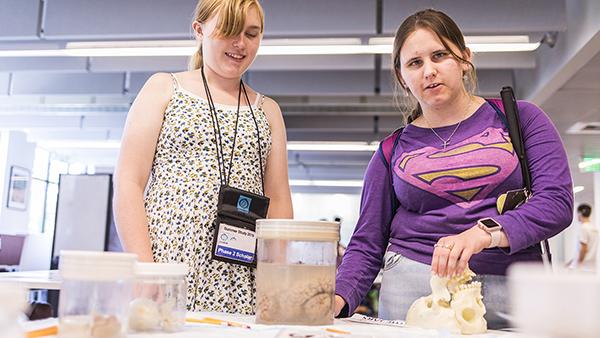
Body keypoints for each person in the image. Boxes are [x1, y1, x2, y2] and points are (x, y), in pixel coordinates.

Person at [334, 9, 573, 328]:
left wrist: (485, 232)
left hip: (514, 289)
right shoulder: (391, 151)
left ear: (464, 58)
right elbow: (367, 242)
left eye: (440, 55)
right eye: (415, 63)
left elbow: (556, 203)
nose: (429, 71)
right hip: (413, 292)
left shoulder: (521, 119)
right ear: (402, 77)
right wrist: (338, 298)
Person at [113, 0, 293, 314]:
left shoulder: (267, 111)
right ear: (199, 30)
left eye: (251, 34)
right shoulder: (163, 88)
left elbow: (278, 199)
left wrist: (278, 280)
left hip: (240, 274)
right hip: (168, 268)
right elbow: (129, 182)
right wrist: (144, 268)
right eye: (229, 31)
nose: (240, 44)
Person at [569, 204, 597, 271]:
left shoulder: (583, 228)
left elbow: (584, 248)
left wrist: (579, 263)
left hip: (583, 266)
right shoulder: (594, 228)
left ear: (580, 213)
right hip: (592, 265)